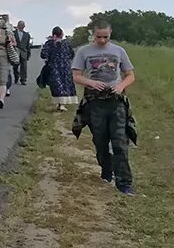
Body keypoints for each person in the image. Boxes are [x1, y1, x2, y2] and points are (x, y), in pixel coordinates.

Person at [72, 21, 137, 194]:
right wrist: (91, 82)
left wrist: (121, 86)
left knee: (120, 142)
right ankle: (107, 170)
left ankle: (124, 183)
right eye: (98, 37)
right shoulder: (83, 51)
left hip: (116, 101)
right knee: (100, 142)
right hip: (94, 103)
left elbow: (130, 75)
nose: (102, 40)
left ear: (111, 33)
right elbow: (76, 76)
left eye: (105, 37)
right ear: (93, 34)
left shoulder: (119, 51)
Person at [39, 27, 77, 110]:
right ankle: (62, 104)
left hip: (54, 67)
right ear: (62, 35)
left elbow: (43, 55)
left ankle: (59, 104)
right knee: (65, 85)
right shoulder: (67, 44)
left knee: (56, 85)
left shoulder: (49, 44)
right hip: (66, 67)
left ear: (54, 35)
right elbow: (72, 54)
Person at [14, 19, 32, 86]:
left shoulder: (27, 35)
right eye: (20, 25)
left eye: (22, 25)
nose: (21, 26)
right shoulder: (14, 33)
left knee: (24, 67)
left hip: (24, 52)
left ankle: (23, 79)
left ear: (24, 26)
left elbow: (28, 45)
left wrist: (29, 53)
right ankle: (16, 76)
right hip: (16, 52)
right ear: (18, 26)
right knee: (15, 66)